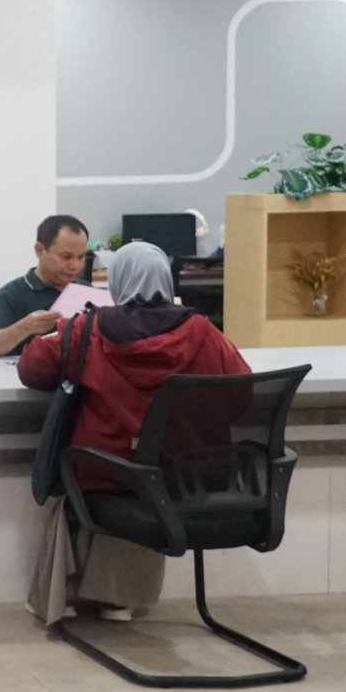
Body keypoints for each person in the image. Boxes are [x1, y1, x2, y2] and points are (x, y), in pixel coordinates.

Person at [18, 241, 251, 623]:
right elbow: (241, 391)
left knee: (83, 475)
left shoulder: (88, 328)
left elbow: (31, 369)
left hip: (102, 472)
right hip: (180, 476)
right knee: (145, 476)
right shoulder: (201, 331)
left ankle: (65, 594)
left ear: (117, 281)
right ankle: (117, 600)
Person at [0, 214, 90, 357]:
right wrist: (25, 327)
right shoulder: (12, 294)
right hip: (23, 370)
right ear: (39, 250)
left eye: (81, 257)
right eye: (66, 257)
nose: (75, 266)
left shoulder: (87, 290)